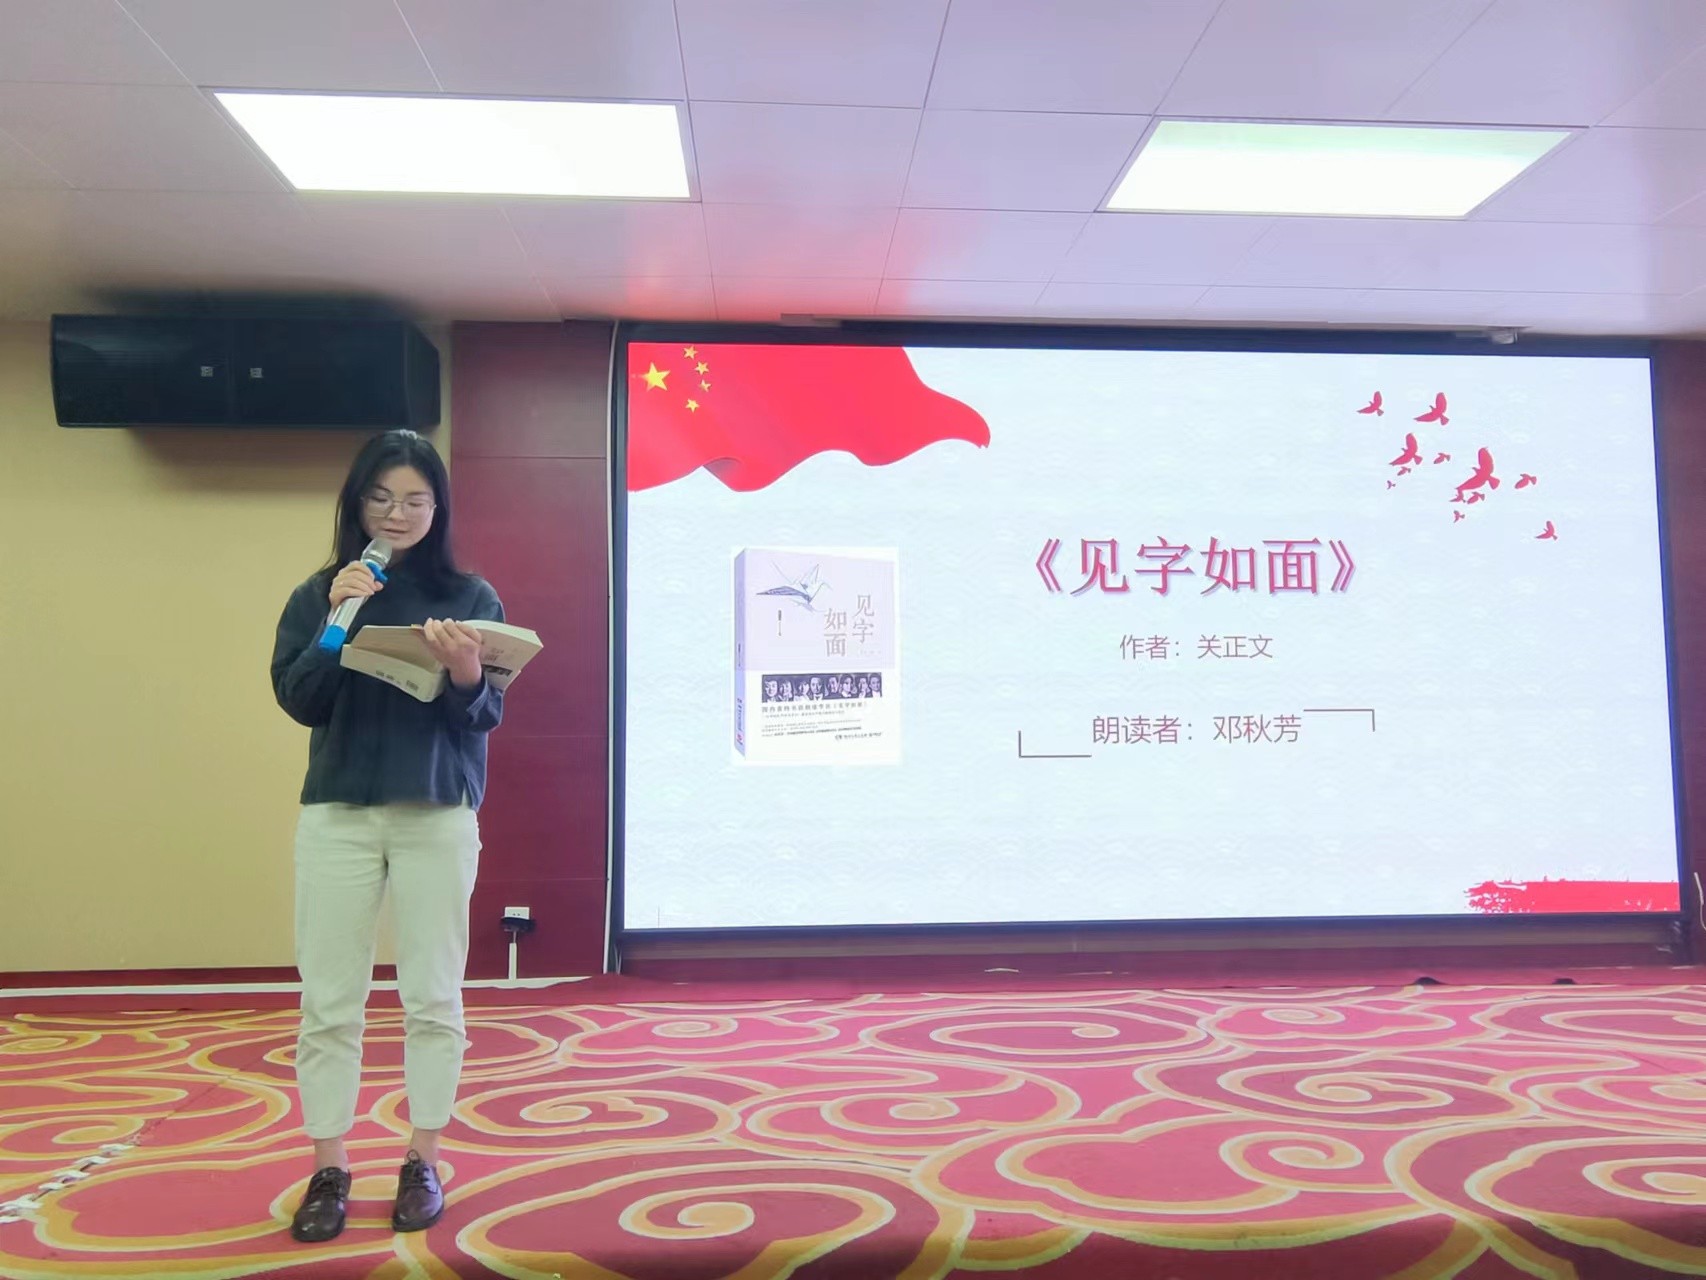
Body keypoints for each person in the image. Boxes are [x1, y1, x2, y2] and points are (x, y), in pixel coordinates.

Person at [270, 430, 506, 1243]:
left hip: (435, 812)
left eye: (414, 499)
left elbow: (483, 714)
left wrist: (467, 671)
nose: (396, 513)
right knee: (328, 1000)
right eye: (380, 497)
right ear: (356, 504)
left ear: (438, 508)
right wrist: (339, 621)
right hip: (337, 814)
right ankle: (329, 1167)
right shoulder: (322, 593)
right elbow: (301, 700)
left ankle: (423, 1159)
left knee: (433, 995)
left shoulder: (470, 595)